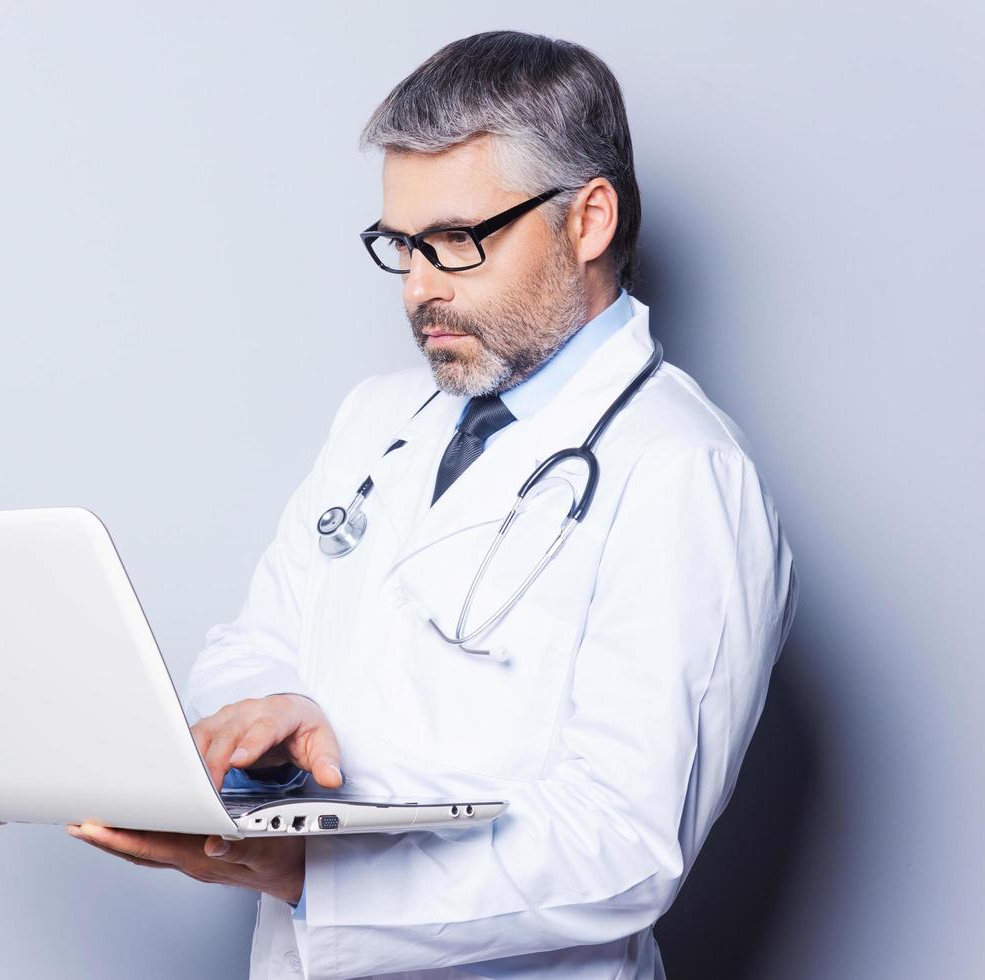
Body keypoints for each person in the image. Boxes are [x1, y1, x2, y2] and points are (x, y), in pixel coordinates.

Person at [65, 29, 797, 979]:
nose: (416, 289)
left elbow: (625, 846)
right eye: (400, 245)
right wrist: (266, 719)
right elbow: (254, 643)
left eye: (454, 242)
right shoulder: (377, 420)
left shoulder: (684, 473)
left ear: (588, 221)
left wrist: (310, 879)